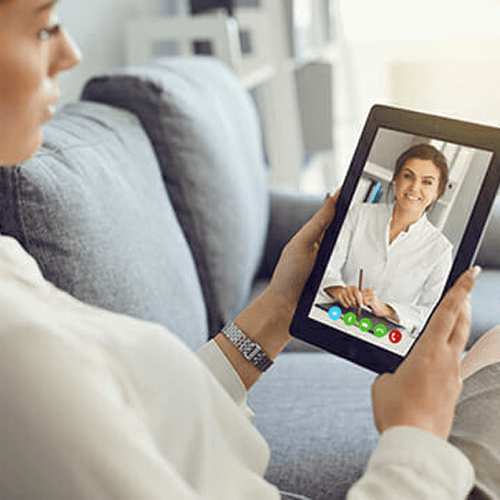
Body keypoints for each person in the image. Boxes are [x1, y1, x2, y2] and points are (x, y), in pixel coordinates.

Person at [0, 1, 499, 498]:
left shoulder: (10, 262)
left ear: (437, 193)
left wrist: (278, 311)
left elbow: (151, 427)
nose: (71, 51)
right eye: (44, 26)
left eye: (426, 182)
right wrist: (414, 434)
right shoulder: (19, 351)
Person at [321, 144, 452, 333]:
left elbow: (431, 312)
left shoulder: (441, 249)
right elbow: (326, 265)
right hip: (339, 316)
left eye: (427, 182)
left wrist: (386, 309)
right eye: (408, 176)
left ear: (438, 192)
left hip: (388, 333)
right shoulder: (359, 214)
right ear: (396, 179)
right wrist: (338, 289)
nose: (415, 187)